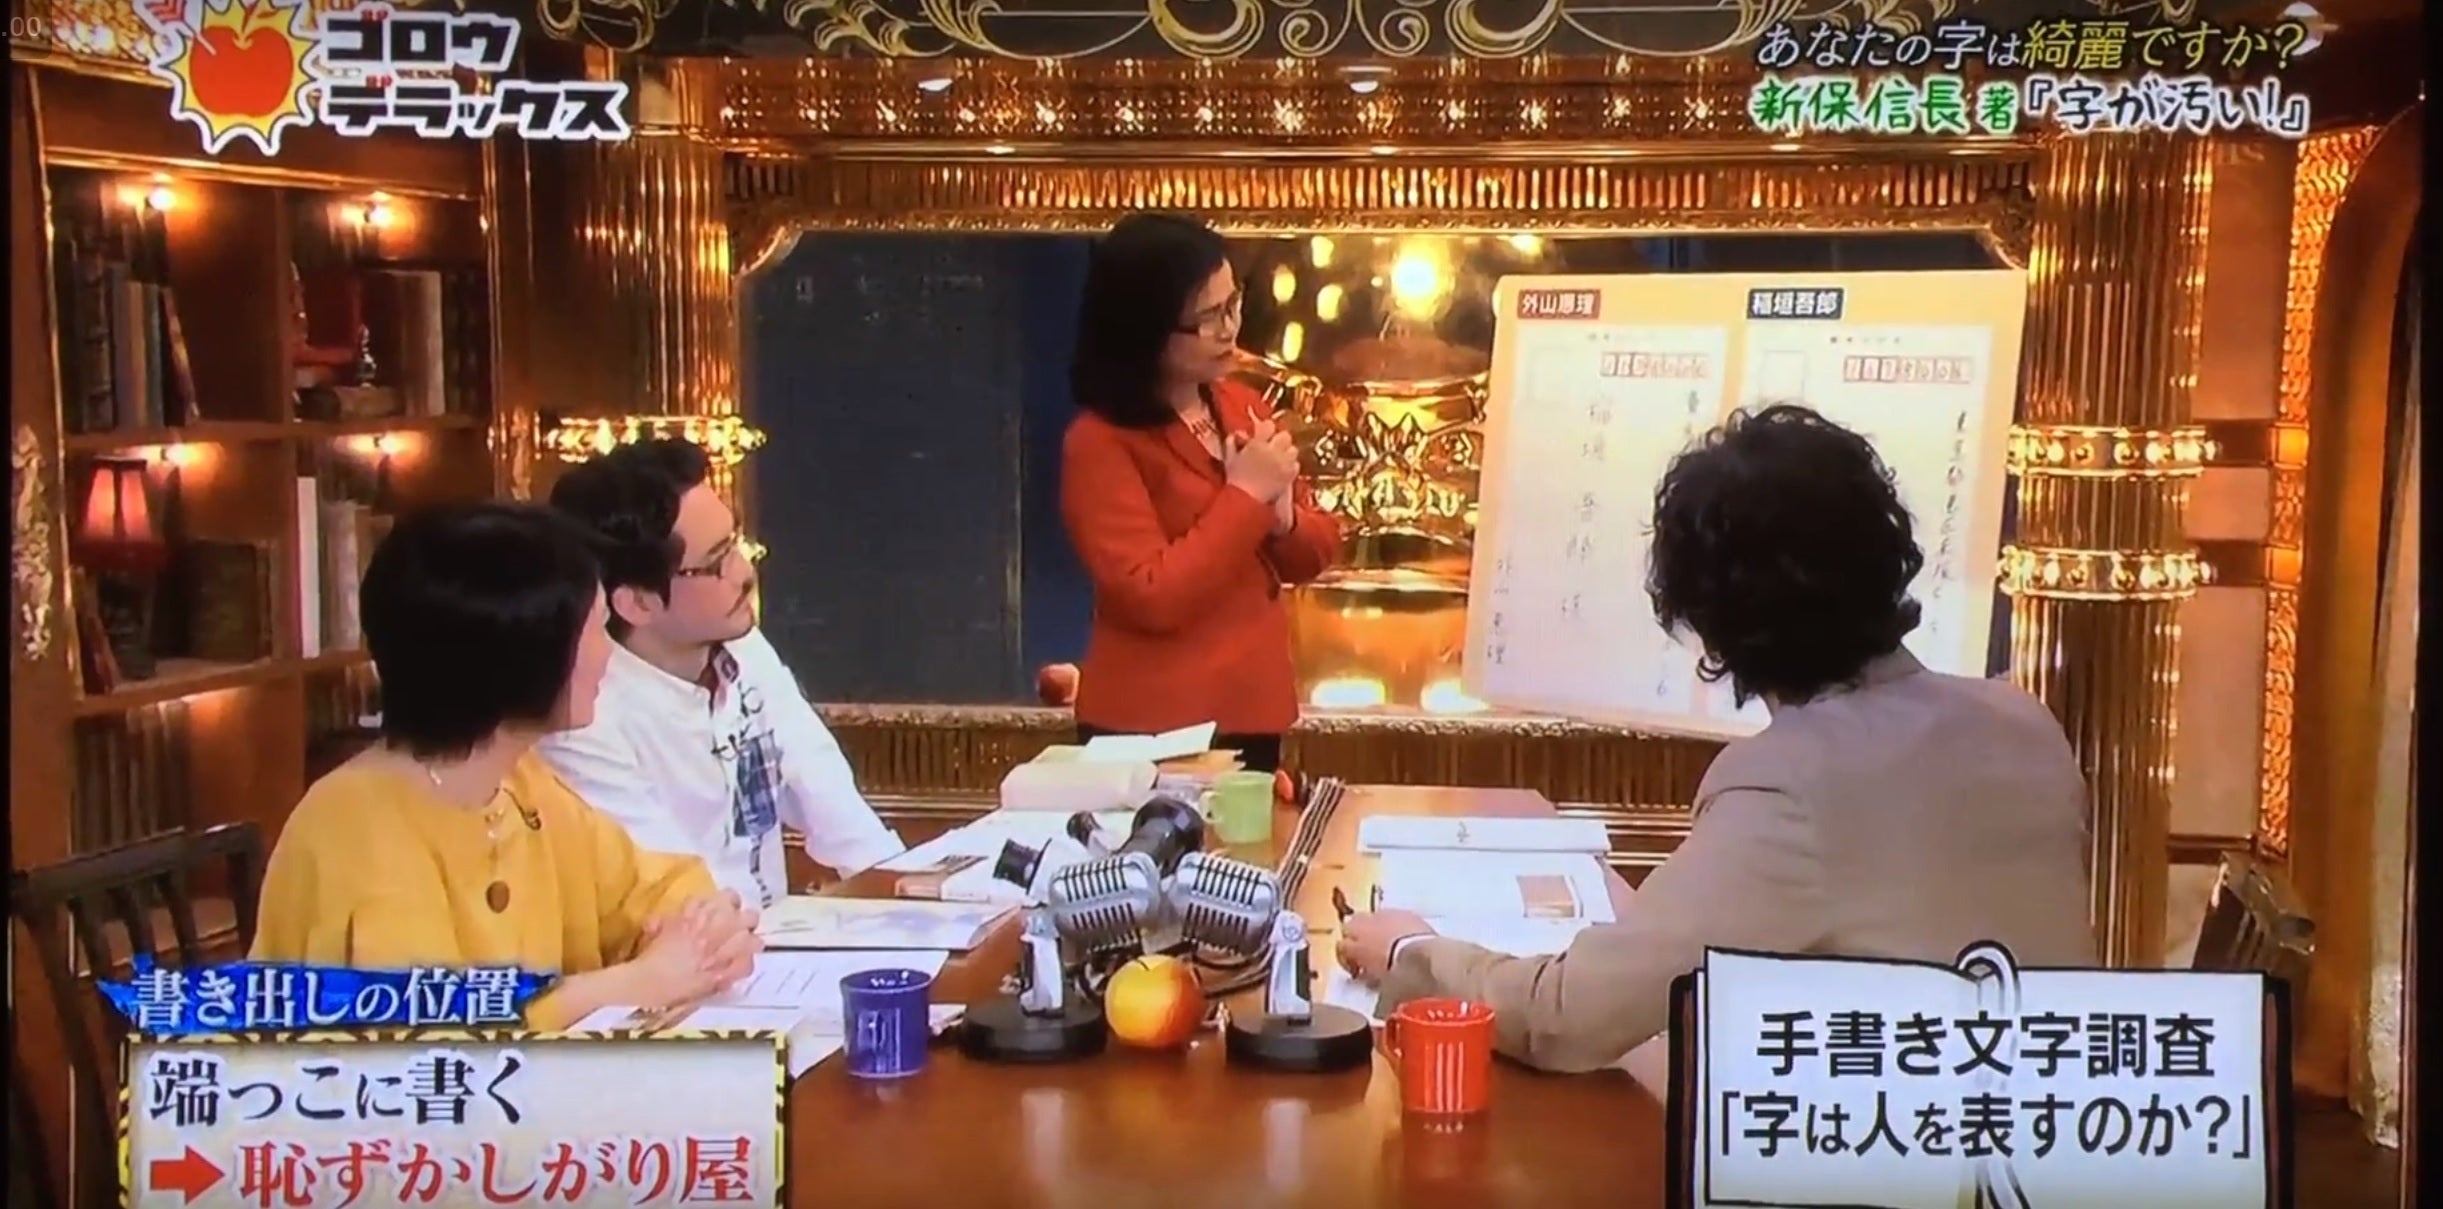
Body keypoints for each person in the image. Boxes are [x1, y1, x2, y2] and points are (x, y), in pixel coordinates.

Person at [1337, 404, 2095, 1075]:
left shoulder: (1790, 781)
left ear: (1708, 615)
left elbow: (1568, 1017)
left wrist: (1412, 951)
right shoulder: (2024, 723)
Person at [252, 502, 761, 1030]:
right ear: (523, 656)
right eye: (594, 632)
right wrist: (636, 983)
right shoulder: (356, 828)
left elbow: (657, 889)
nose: (607, 655)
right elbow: (434, 1035)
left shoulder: (521, 784)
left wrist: (706, 934)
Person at [537, 438, 905, 909]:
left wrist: (918, 899)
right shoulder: (584, 722)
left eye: (735, 544)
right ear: (637, 602)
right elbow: (678, 899)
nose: (745, 572)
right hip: (692, 944)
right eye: (716, 562)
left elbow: (836, 809)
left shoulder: (744, 648)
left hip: (774, 937)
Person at [1059, 211, 1342, 773]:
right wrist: (1246, 496)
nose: (1230, 328)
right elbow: (1150, 594)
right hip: (1153, 723)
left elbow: (1318, 549)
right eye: (1207, 318)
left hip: (1251, 708)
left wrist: (1284, 520)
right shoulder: (1098, 442)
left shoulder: (1240, 404)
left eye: (1233, 304)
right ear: (1143, 328)